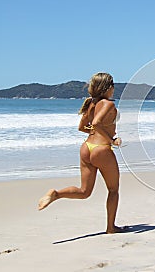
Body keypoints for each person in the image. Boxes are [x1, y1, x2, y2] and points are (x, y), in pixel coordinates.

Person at [38, 72, 123, 234]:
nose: (113, 89)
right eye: (112, 86)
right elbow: (97, 123)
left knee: (84, 191)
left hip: (86, 148)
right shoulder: (108, 104)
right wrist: (112, 139)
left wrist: (98, 134)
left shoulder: (90, 104)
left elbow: (82, 127)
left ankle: (56, 194)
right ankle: (111, 228)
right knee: (113, 190)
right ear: (107, 87)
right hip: (101, 150)